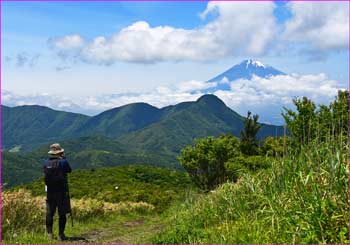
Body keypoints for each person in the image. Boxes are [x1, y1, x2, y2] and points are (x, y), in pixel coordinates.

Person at [43, 143, 72, 240]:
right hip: (61, 191)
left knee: (50, 212)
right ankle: (61, 235)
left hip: (50, 191)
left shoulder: (45, 163)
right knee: (62, 213)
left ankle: (49, 234)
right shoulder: (63, 162)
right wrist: (63, 158)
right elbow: (69, 170)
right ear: (60, 152)